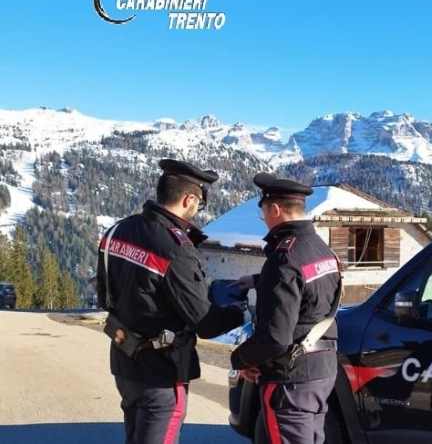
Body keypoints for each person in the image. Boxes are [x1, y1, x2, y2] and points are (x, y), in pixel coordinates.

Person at [97, 159, 245, 444]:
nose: (197, 211)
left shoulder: (117, 230)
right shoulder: (176, 249)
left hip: (124, 360)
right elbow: (206, 324)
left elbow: (106, 295)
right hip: (162, 371)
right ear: (189, 199)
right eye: (199, 204)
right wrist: (242, 312)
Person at [230, 173, 342, 444]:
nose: (264, 221)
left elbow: (276, 338)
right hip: (321, 369)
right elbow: (309, 292)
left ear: (275, 209)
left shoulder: (284, 257)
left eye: (264, 214)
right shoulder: (321, 249)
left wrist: (240, 360)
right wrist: (259, 281)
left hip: (290, 379)